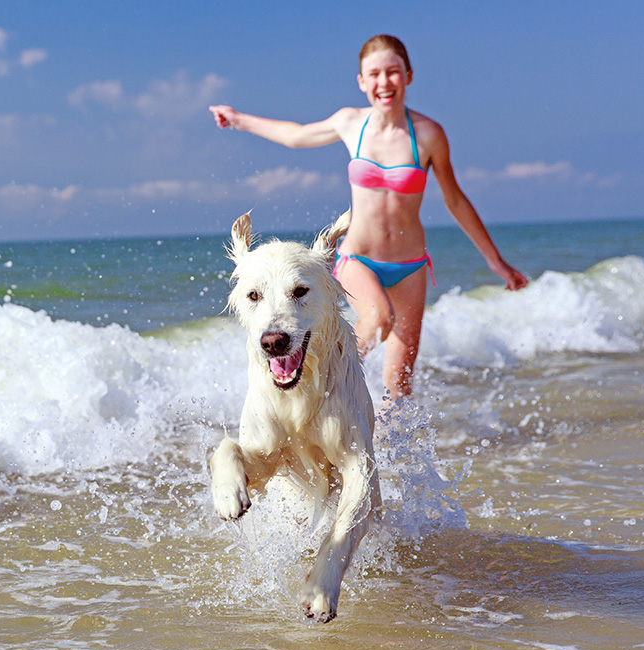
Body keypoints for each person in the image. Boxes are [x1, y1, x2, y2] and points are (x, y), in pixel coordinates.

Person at [210, 34, 528, 402]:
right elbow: (295, 136)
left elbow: (455, 200)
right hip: (357, 259)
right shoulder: (351, 123)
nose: (383, 82)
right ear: (361, 81)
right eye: (373, 74)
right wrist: (239, 120)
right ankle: (317, 386)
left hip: (410, 267)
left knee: (400, 385)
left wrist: (497, 262)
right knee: (378, 319)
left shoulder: (428, 135)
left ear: (408, 75)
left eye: (392, 72)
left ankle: (390, 455)